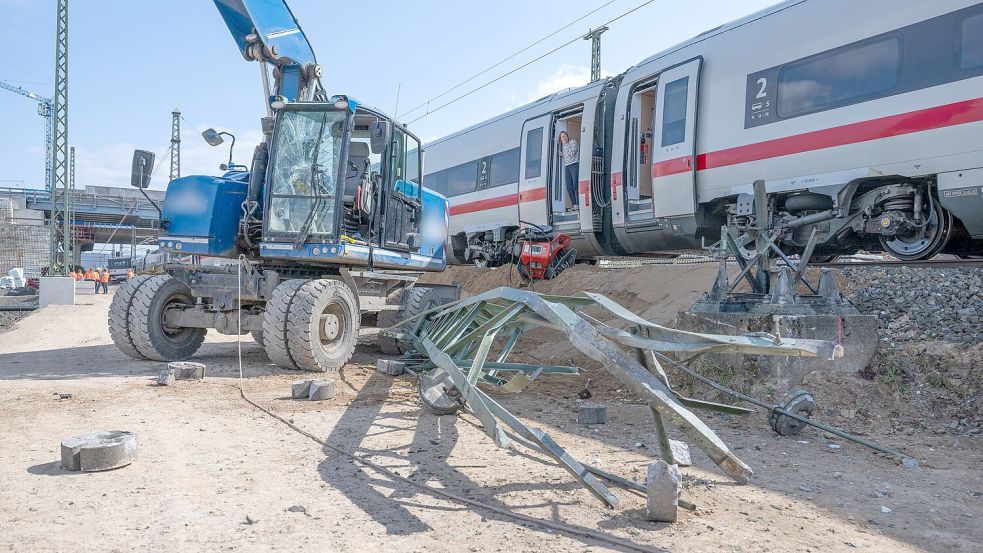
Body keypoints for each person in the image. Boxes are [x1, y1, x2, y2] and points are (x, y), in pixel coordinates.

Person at [559, 131, 579, 209]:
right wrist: (562, 155)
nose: (564, 138)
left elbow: (572, 153)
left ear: (567, 136)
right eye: (562, 137)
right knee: (569, 186)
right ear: (560, 139)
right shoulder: (562, 146)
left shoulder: (572, 142)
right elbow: (566, 155)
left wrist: (565, 144)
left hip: (574, 164)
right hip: (567, 166)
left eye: (565, 136)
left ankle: (578, 203)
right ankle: (574, 204)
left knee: (575, 185)